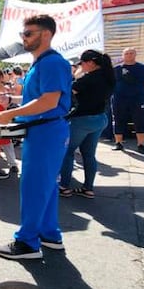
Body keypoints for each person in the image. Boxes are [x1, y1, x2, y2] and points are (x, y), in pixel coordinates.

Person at [0, 15, 72, 260]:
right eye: (23, 34)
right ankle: (49, 234)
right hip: (44, 130)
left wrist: (11, 113)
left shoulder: (52, 63)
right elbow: (39, 99)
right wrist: (12, 100)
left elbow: (49, 101)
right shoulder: (41, 63)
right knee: (45, 186)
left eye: (28, 33)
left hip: (46, 131)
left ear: (46, 34)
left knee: (34, 186)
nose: (23, 38)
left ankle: (27, 243)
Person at [59, 49, 116, 199]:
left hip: (82, 119)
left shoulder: (89, 78)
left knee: (67, 151)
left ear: (90, 63)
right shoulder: (109, 77)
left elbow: (70, 90)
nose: (81, 66)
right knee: (89, 154)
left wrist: (75, 75)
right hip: (100, 118)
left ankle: (64, 186)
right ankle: (88, 188)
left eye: (82, 63)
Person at [112, 48, 144, 154]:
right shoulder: (116, 69)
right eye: (126, 53)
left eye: (131, 53)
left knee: (140, 121)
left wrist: (138, 90)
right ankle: (119, 143)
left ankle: (141, 145)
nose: (129, 55)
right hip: (119, 99)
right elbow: (110, 83)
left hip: (138, 99)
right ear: (123, 55)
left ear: (135, 55)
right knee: (118, 120)